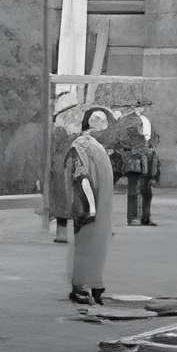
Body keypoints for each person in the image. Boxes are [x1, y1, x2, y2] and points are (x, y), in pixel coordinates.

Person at [65, 114, 115, 306]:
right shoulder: (82, 146)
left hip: (99, 207)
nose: (106, 124)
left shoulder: (94, 146)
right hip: (89, 206)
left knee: (96, 244)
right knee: (86, 244)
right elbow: (82, 177)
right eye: (101, 119)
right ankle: (81, 286)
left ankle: (95, 283)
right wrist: (91, 208)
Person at [124, 113, 160, 227]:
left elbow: (153, 146)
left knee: (147, 193)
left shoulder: (146, 123)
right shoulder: (130, 129)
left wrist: (155, 174)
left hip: (147, 164)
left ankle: (145, 217)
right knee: (134, 192)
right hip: (136, 165)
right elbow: (128, 148)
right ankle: (133, 218)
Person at [47, 120, 76, 244]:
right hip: (68, 189)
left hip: (59, 189)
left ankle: (61, 234)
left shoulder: (54, 156)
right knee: (65, 209)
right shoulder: (69, 154)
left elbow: (50, 172)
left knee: (60, 210)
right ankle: (63, 234)